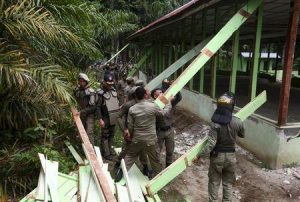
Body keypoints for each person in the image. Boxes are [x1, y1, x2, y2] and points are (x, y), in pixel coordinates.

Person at [193, 92, 245, 202]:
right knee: (228, 183)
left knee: (214, 183)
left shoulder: (215, 123)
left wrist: (199, 156)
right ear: (232, 106)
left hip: (217, 157)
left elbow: (211, 144)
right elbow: (242, 135)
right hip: (231, 158)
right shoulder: (238, 121)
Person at [124, 87, 172, 178]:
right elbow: (163, 113)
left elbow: (130, 125)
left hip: (137, 139)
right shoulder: (152, 106)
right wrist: (168, 102)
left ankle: (122, 172)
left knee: (130, 155)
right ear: (145, 95)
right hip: (151, 139)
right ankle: (158, 178)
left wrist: (132, 135)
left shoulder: (132, 109)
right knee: (154, 159)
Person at [114, 86, 149, 181]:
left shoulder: (147, 104)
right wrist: (124, 129)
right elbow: (118, 116)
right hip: (130, 132)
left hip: (141, 133)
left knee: (143, 151)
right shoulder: (128, 105)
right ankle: (118, 165)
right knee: (126, 150)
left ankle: (145, 167)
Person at [151, 84, 182, 167]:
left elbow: (179, 98)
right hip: (159, 131)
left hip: (169, 130)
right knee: (157, 151)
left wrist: (177, 89)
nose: (162, 94)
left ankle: (168, 167)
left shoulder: (169, 101)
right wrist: (169, 104)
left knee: (170, 150)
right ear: (155, 96)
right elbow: (163, 114)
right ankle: (156, 167)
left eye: (162, 92)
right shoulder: (153, 105)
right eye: (160, 93)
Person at [96, 73, 120, 160]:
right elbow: (97, 107)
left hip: (113, 116)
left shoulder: (113, 90)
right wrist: (100, 119)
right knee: (105, 135)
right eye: (108, 84)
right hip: (105, 117)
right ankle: (106, 154)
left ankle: (110, 150)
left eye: (111, 83)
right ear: (104, 82)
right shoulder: (100, 93)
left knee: (111, 134)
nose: (110, 85)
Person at [74, 73, 96, 144]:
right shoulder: (76, 90)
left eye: (82, 81)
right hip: (80, 113)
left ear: (86, 82)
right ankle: (82, 147)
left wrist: (82, 112)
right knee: (80, 131)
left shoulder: (91, 91)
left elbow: (93, 107)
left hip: (89, 114)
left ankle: (91, 150)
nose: (81, 82)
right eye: (80, 81)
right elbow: (74, 100)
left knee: (89, 132)